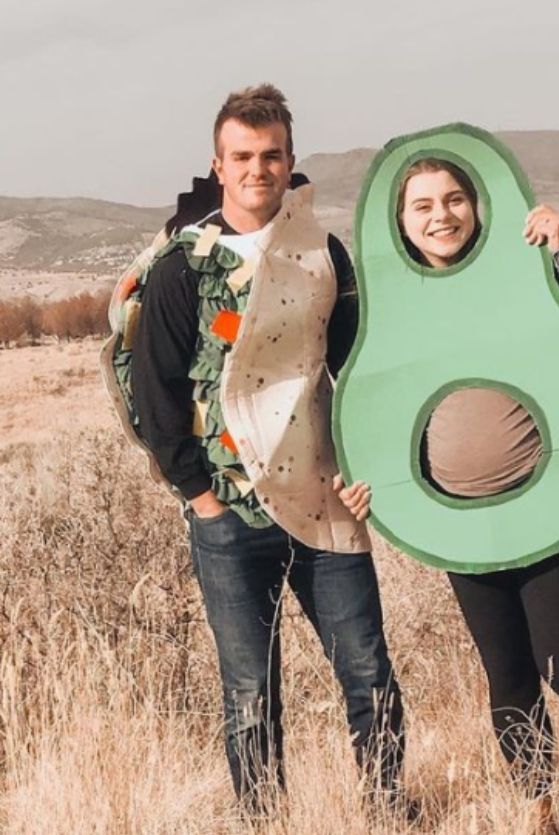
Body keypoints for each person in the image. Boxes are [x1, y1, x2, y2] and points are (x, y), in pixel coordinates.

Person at [121, 85, 404, 812]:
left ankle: (386, 809)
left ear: (291, 160)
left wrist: (365, 467)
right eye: (242, 156)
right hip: (229, 517)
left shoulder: (321, 251)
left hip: (320, 497)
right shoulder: (185, 266)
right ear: (218, 164)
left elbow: (359, 369)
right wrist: (202, 499)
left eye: (271, 154)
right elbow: (157, 393)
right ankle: (264, 821)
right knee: (250, 690)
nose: (258, 168)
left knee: (368, 672)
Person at [337, 158, 559, 828]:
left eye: (453, 199)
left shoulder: (519, 270)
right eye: (421, 206)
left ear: (476, 206)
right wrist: (369, 486)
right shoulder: (387, 309)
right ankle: (539, 808)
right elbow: (372, 411)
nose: (440, 215)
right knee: (507, 675)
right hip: (460, 526)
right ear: (401, 224)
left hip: (549, 507)